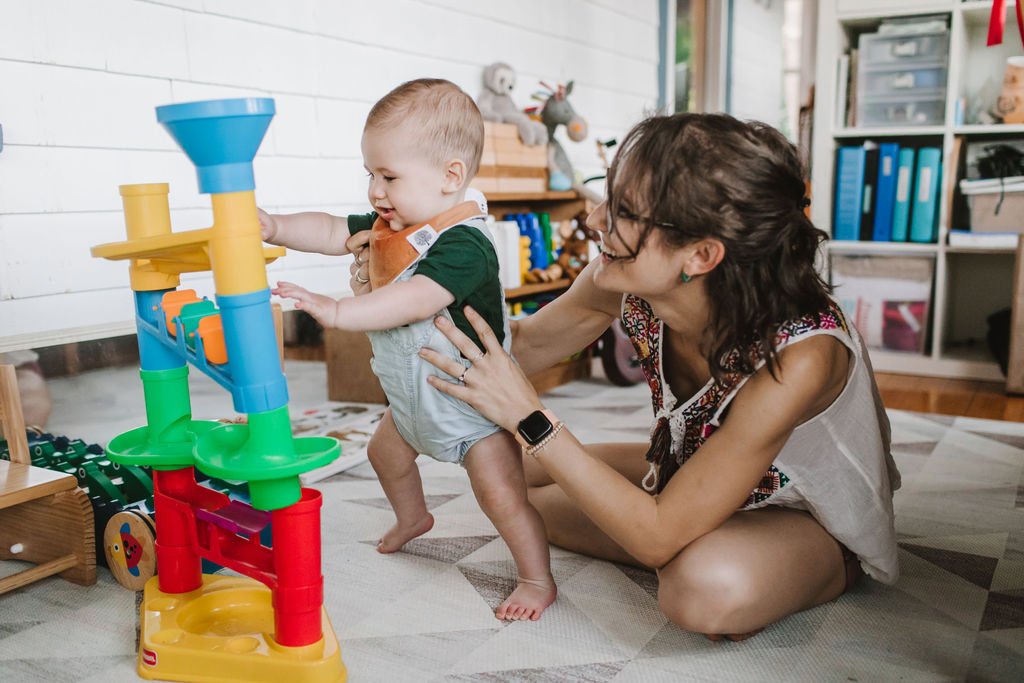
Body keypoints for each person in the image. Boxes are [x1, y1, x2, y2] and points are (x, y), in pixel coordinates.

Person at [418, 112, 901, 640]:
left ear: (701, 254)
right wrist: (406, 304)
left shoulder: (800, 357)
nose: (595, 219)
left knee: (700, 588)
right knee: (511, 488)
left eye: (623, 211)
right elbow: (524, 345)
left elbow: (653, 540)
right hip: (682, 464)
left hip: (800, 509)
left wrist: (530, 418)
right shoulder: (622, 278)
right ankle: (684, 517)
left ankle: (830, 564)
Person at [262, 78, 556, 621]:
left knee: (501, 498)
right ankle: (414, 516)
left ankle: (536, 579)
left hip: (475, 409)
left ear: (451, 177)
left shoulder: (464, 243)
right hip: (412, 401)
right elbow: (330, 229)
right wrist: (274, 225)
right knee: (384, 454)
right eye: (370, 174)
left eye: (389, 176)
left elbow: (418, 299)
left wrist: (339, 311)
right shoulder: (390, 227)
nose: (376, 191)